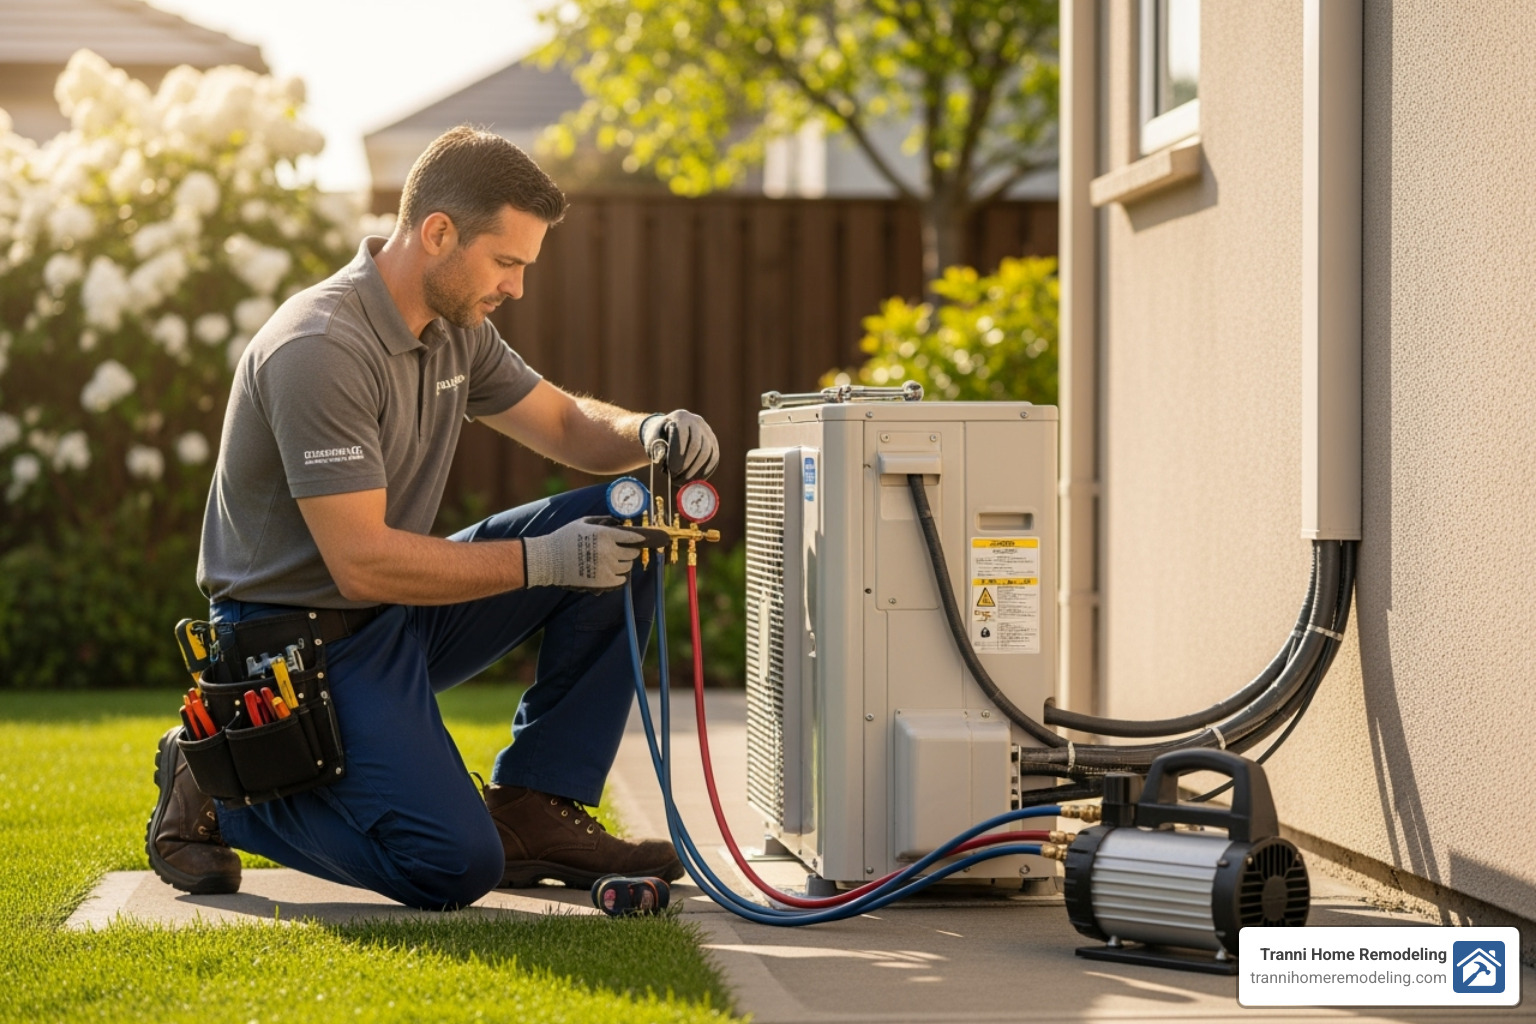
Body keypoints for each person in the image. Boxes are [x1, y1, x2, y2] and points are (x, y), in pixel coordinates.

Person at [145, 126, 719, 910]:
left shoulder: (457, 333)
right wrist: (545, 561)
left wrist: (648, 431)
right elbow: (361, 563)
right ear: (438, 232)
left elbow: (563, 425)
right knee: (451, 866)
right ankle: (223, 781)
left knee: (629, 525)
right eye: (507, 262)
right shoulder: (320, 347)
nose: (516, 287)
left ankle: (533, 805)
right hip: (295, 644)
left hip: (391, 615)